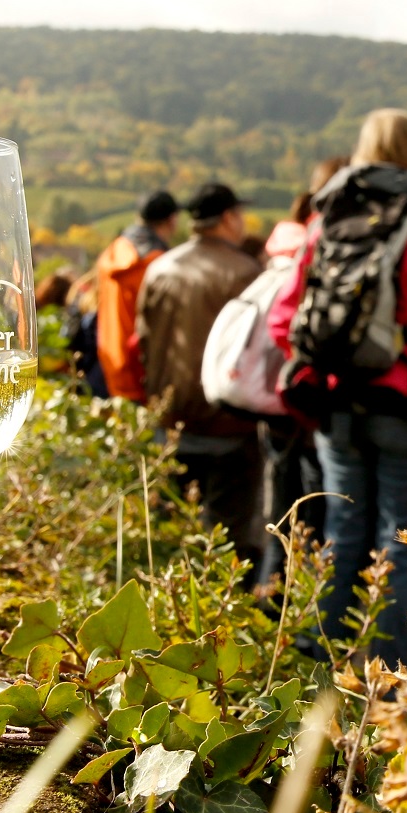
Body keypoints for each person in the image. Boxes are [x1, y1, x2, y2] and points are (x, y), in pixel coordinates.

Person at [268, 110, 407, 667]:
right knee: (402, 543)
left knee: (344, 533)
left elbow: (283, 319)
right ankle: (384, 683)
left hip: (336, 403)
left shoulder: (328, 218)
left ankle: (318, 674)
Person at [136, 183, 264, 569]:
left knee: (174, 531)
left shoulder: (159, 268)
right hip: (227, 422)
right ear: (227, 218)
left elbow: (142, 340)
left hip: (170, 417)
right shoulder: (245, 272)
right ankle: (223, 619)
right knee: (227, 538)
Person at [255, 155, 347, 585]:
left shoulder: (287, 242)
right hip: (317, 407)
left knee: (284, 516)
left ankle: (276, 611)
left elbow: (280, 322)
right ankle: (304, 620)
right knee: (316, 519)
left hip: (281, 400)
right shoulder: (331, 238)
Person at [94, 191, 179, 402]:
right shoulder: (157, 263)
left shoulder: (113, 252)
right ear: (171, 221)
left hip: (111, 361)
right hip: (142, 371)